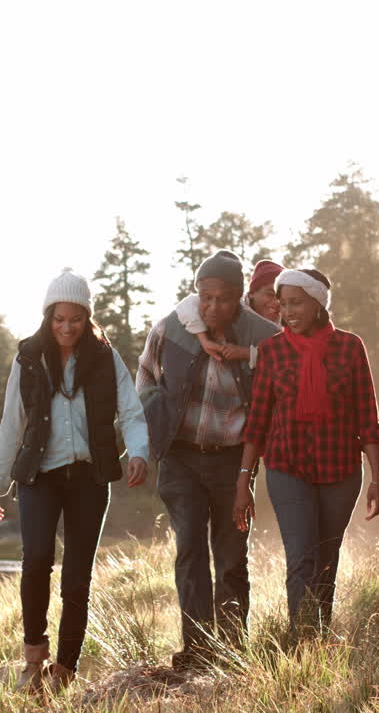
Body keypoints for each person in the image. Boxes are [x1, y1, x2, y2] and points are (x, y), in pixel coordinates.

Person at [0, 267, 150, 693]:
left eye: (75, 319)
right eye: (59, 318)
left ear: (87, 317)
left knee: (77, 577)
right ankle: (34, 660)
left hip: (89, 479)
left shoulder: (105, 357)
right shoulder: (28, 358)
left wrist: (139, 452)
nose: (67, 327)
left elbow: (131, 410)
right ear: (48, 316)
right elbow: (11, 425)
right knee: (37, 560)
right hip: (39, 478)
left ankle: (65, 670)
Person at [135, 250, 279, 669]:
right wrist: (154, 416)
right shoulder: (171, 328)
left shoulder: (263, 335)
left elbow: (278, 387)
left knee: (232, 556)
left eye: (224, 298)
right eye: (206, 297)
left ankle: (231, 652)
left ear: (240, 298)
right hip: (180, 458)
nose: (213, 306)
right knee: (190, 551)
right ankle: (197, 652)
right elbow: (145, 373)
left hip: (233, 461)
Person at [234, 269, 379, 637]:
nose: (288, 312)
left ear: (318, 303)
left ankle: (318, 639)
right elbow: (258, 421)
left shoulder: (350, 347)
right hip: (287, 467)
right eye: (283, 304)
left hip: (340, 470)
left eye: (297, 303)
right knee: (302, 557)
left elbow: (367, 417)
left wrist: (377, 478)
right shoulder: (272, 351)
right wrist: (244, 480)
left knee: (326, 561)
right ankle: (301, 644)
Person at [176, 259, 283, 364]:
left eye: (282, 298)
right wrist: (204, 339)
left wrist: (247, 353)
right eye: (270, 294)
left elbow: (284, 357)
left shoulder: (281, 326)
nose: (277, 303)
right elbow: (187, 305)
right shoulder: (233, 306)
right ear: (251, 293)